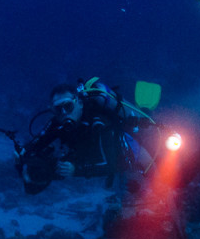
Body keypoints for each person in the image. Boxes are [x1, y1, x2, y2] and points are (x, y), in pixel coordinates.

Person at [15, 79, 160, 194]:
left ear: (79, 103)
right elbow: (39, 142)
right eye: (58, 109)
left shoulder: (99, 123)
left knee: (157, 180)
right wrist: (23, 153)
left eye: (68, 106)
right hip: (95, 157)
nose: (65, 113)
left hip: (128, 154)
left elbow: (112, 164)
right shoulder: (58, 122)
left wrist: (76, 170)